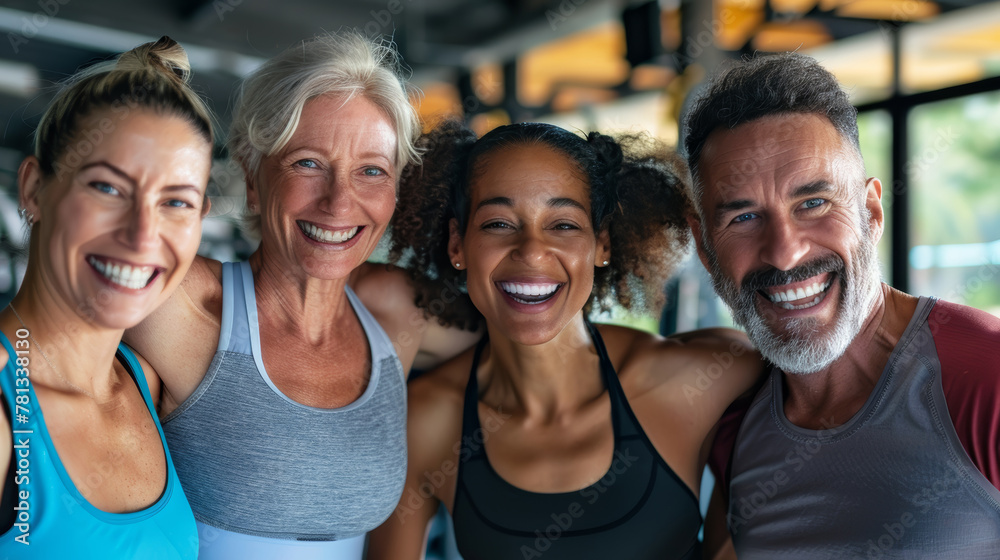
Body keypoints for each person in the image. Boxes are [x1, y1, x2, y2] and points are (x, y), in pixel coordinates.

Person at [123, 31, 478, 559]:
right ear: (250, 175)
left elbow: (535, 336)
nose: (339, 203)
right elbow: (64, 274)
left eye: (372, 171)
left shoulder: (393, 308)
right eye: (307, 163)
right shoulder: (184, 302)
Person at [367, 121, 764, 560]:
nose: (532, 251)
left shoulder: (710, 375)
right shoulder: (426, 420)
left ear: (601, 243)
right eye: (498, 223)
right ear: (458, 245)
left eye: (563, 224)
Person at [683, 52, 1000, 559]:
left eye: (813, 203)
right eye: (743, 217)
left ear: (871, 212)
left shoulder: (988, 376)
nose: (785, 252)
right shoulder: (733, 423)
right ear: (704, 247)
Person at [0, 37, 214, 557]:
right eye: (108, 188)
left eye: (176, 202)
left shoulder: (149, 382)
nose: (143, 235)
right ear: (34, 190)